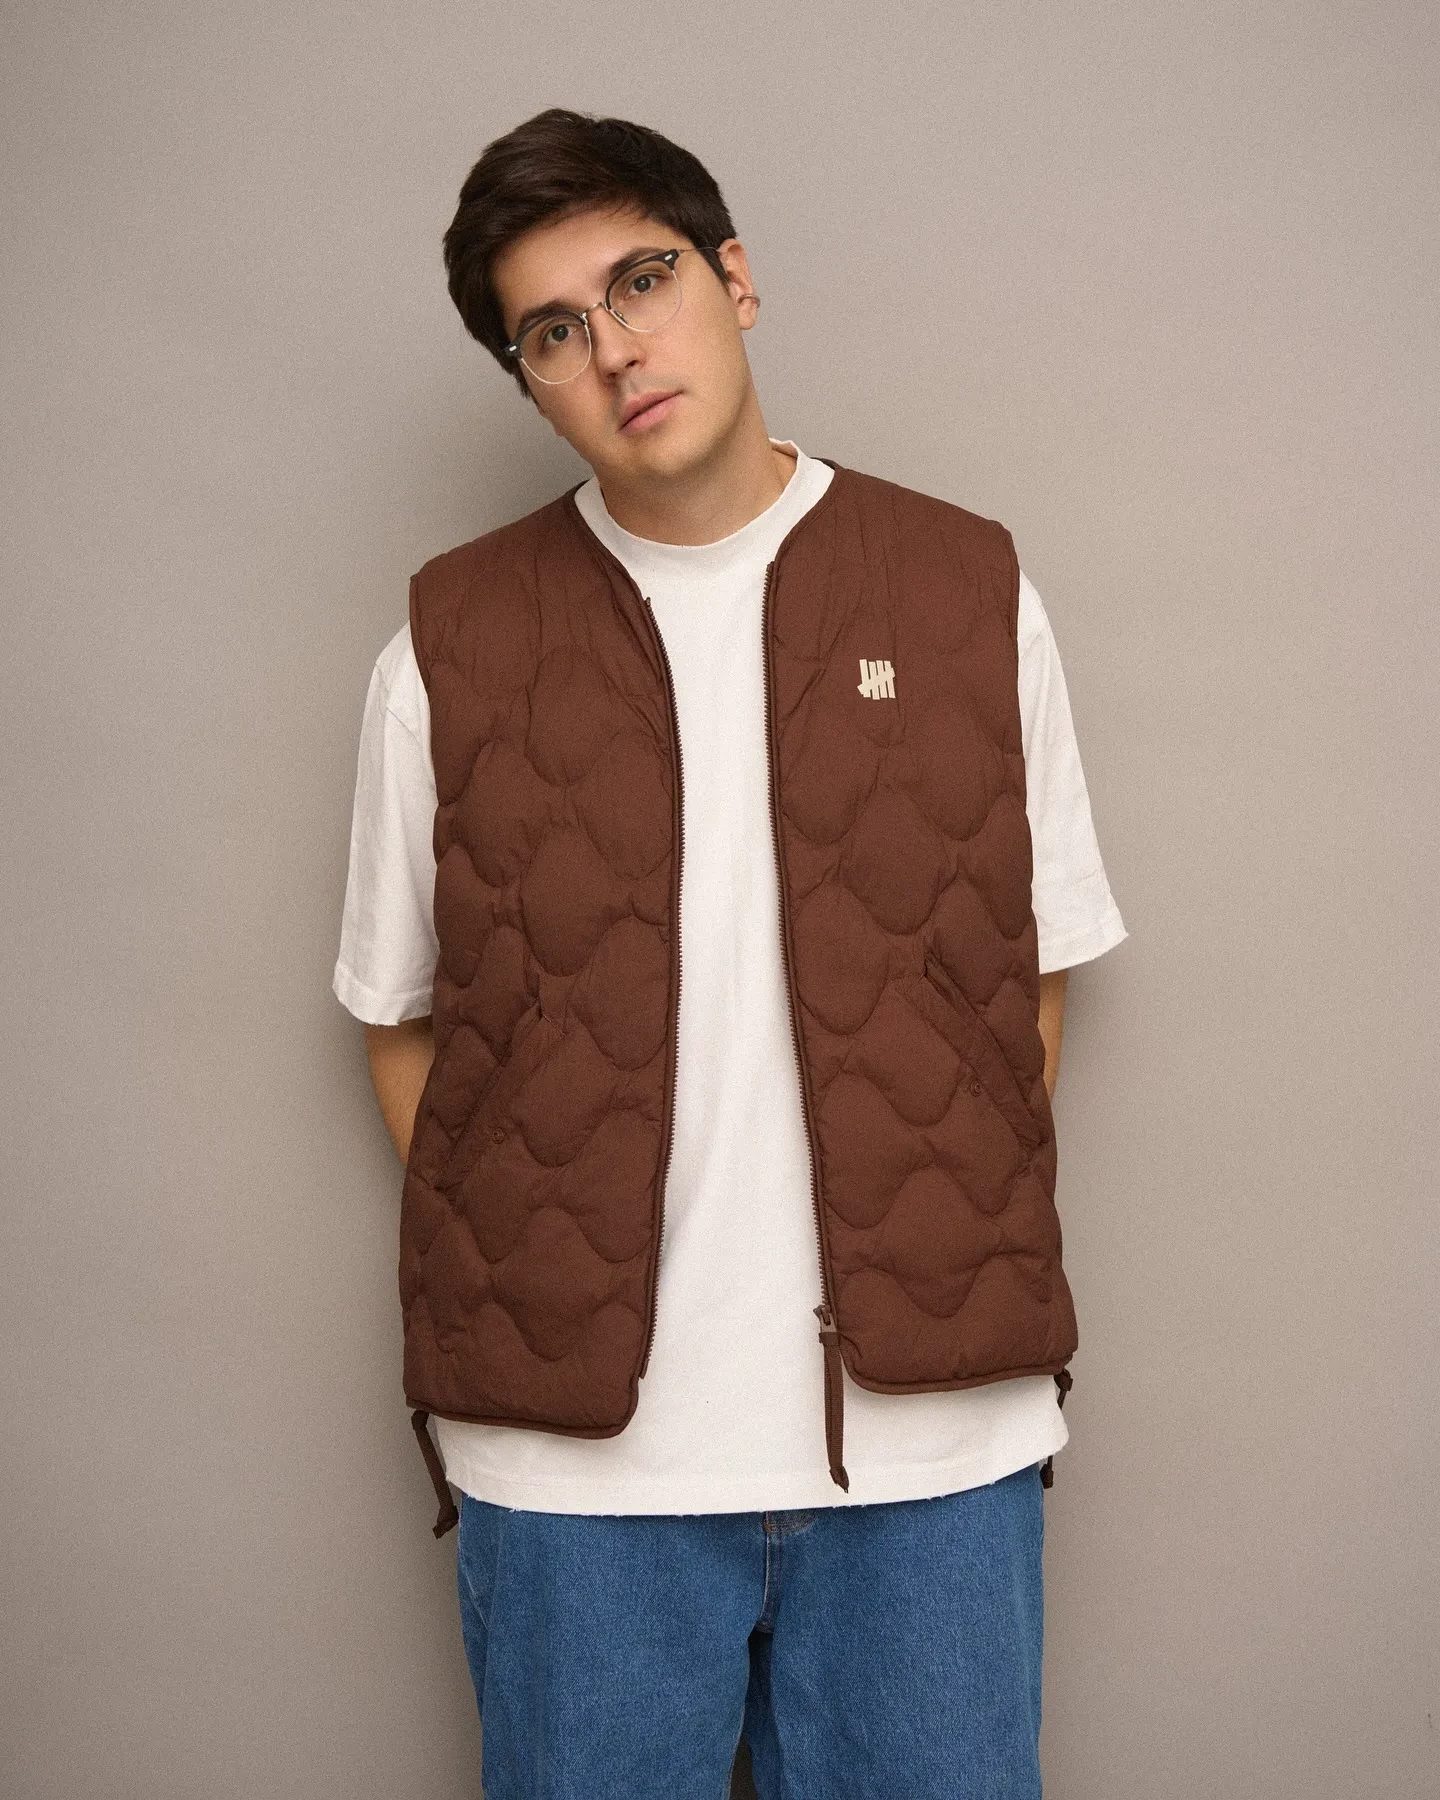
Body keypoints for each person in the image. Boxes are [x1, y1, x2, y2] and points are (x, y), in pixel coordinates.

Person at [333, 107, 1127, 1800]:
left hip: (930, 1459)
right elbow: (400, 1022)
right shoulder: (447, 648)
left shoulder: (966, 592)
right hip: (576, 1482)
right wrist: (548, 1253)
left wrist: (910, 1231)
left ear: (735, 278)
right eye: (555, 331)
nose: (618, 348)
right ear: (530, 383)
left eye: (644, 280)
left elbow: (1029, 980)